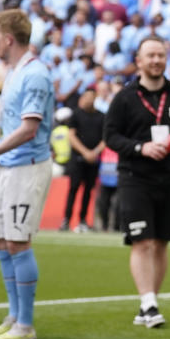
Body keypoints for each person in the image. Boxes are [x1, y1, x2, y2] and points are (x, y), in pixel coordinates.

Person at [104, 36, 170, 328]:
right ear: (139, 61)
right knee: (141, 241)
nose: (156, 60)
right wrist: (140, 147)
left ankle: (150, 303)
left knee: (160, 244)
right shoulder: (124, 97)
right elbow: (110, 136)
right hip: (135, 178)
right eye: (151, 55)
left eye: (160, 55)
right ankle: (148, 302)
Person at [0, 9, 55, 339]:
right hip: (9, 165)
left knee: (18, 241)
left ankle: (26, 324)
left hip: (27, 164)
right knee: (1, 241)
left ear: (8, 38)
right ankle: (13, 315)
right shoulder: (15, 72)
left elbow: (28, 128)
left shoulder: (34, 74)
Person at [60, 89, 104, 232]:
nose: (88, 100)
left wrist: (94, 153)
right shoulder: (76, 114)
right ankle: (66, 220)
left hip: (93, 160)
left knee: (88, 190)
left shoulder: (101, 116)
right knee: (73, 189)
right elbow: (71, 136)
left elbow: (106, 138)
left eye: (91, 97)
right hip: (77, 159)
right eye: (86, 97)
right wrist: (86, 152)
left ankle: (83, 220)